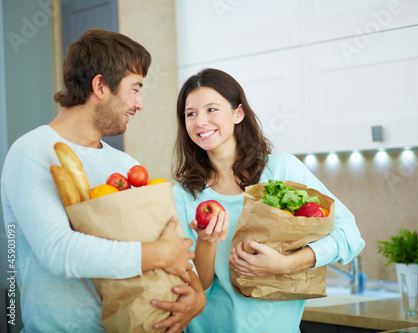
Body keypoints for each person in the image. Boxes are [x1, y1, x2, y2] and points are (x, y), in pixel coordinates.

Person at [1, 29, 205, 332]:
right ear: (100, 85)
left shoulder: (126, 165)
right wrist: (160, 254)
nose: (139, 103)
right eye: (135, 89)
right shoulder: (32, 152)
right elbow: (59, 251)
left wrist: (197, 296)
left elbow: (169, 240)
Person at [172, 68, 365, 333]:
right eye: (190, 113)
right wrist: (206, 241)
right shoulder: (183, 195)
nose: (200, 122)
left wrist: (286, 264)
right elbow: (199, 285)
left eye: (211, 109)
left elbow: (350, 235)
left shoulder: (282, 171)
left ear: (238, 113)